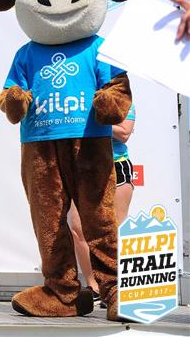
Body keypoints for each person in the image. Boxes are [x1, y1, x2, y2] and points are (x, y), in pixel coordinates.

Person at [69, 104, 136, 302]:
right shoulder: (78, 99)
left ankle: (117, 286)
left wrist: (90, 121)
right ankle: (94, 286)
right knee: (78, 229)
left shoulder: (122, 101)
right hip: (82, 165)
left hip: (116, 164)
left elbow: (124, 133)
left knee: (116, 229)